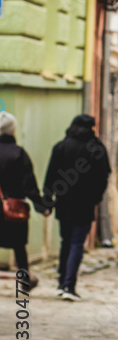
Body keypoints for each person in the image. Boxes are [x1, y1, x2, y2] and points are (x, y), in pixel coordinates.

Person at [43, 114, 111, 301]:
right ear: (92, 128)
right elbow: (103, 177)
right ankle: (69, 284)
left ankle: (61, 281)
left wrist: (48, 200)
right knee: (76, 242)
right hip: (85, 204)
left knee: (66, 241)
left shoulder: (61, 146)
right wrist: (95, 198)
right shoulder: (96, 149)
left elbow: (51, 175)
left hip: (64, 202)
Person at [0, 112, 51, 289]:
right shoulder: (19, 154)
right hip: (14, 208)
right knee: (19, 246)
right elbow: (29, 184)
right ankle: (24, 281)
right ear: (12, 131)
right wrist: (42, 206)